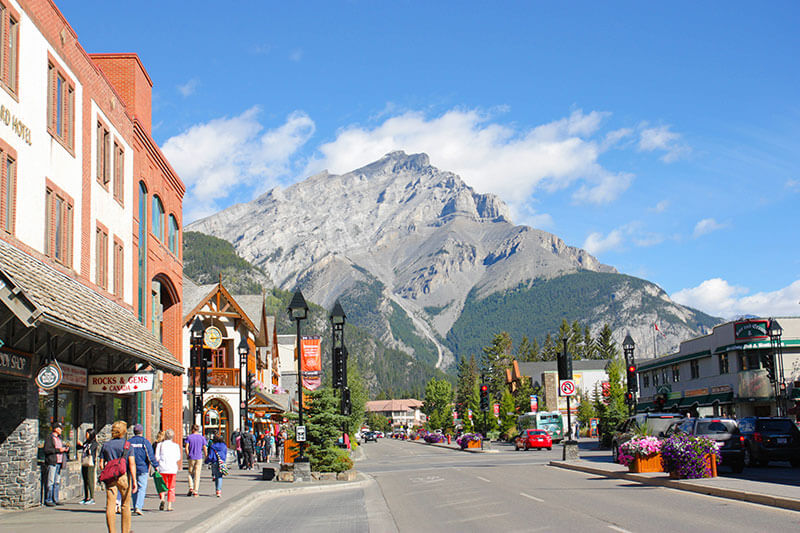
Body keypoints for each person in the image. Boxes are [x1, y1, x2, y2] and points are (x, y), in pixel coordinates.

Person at [98, 421, 137, 533]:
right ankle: (125, 530)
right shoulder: (127, 445)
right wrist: (134, 480)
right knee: (125, 504)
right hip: (123, 475)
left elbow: (101, 464)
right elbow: (132, 463)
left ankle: (112, 531)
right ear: (124, 432)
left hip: (110, 477)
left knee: (110, 504)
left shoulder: (106, 445)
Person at [128, 424, 159, 515]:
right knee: (142, 488)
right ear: (142, 432)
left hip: (131, 468)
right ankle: (138, 506)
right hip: (142, 467)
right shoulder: (145, 442)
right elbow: (150, 456)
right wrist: (155, 465)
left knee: (134, 487)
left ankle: (135, 506)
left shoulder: (129, 442)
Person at [43, 422, 70, 506]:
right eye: (60, 428)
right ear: (55, 429)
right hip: (52, 462)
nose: (61, 430)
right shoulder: (50, 438)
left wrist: (65, 449)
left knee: (57, 481)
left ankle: (56, 498)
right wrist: (58, 450)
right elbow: (47, 450)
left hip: (59, 462)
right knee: (50, 481)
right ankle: (48, 499)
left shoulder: (59, 439)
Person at [155, 429, 181, 511]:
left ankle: (162, 498)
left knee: (162, 485)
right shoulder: (176, 446)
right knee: (171, 487)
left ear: (165, 436)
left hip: (162, 468)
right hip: (172, 468)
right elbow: (178, 457)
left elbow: (157, 457)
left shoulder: (160, 445)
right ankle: (169, 505)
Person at [184, 424, 206, 497]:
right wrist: (206, 455)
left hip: (191, 457)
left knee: (190, 473)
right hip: (199, 457)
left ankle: (190, 487)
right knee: (197, 474)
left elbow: (186, 448)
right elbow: (204, 447)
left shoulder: (189, 437)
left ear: (192, 429)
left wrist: (187, 455)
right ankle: (195, 491)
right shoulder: (202, 438)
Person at [78, 428, 98, 505]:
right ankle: (86, 497)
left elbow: (90, 451)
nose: (86, 436)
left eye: (88, 434)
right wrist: (80, 445)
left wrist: (83, 446)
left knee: (90, 479)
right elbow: (80, 448)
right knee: (85, 479)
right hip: (84, 462)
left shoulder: (94, 443)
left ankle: (92, 497)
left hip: (90, 463)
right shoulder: (86, 442)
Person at [152, 431, 167, 507]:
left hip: (157, 466)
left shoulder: (155, 444)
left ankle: (162, 498)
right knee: (165, 482)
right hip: (166, 466)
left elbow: (152, 456)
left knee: (159, 483)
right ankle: (164, 497)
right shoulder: (166, 445)